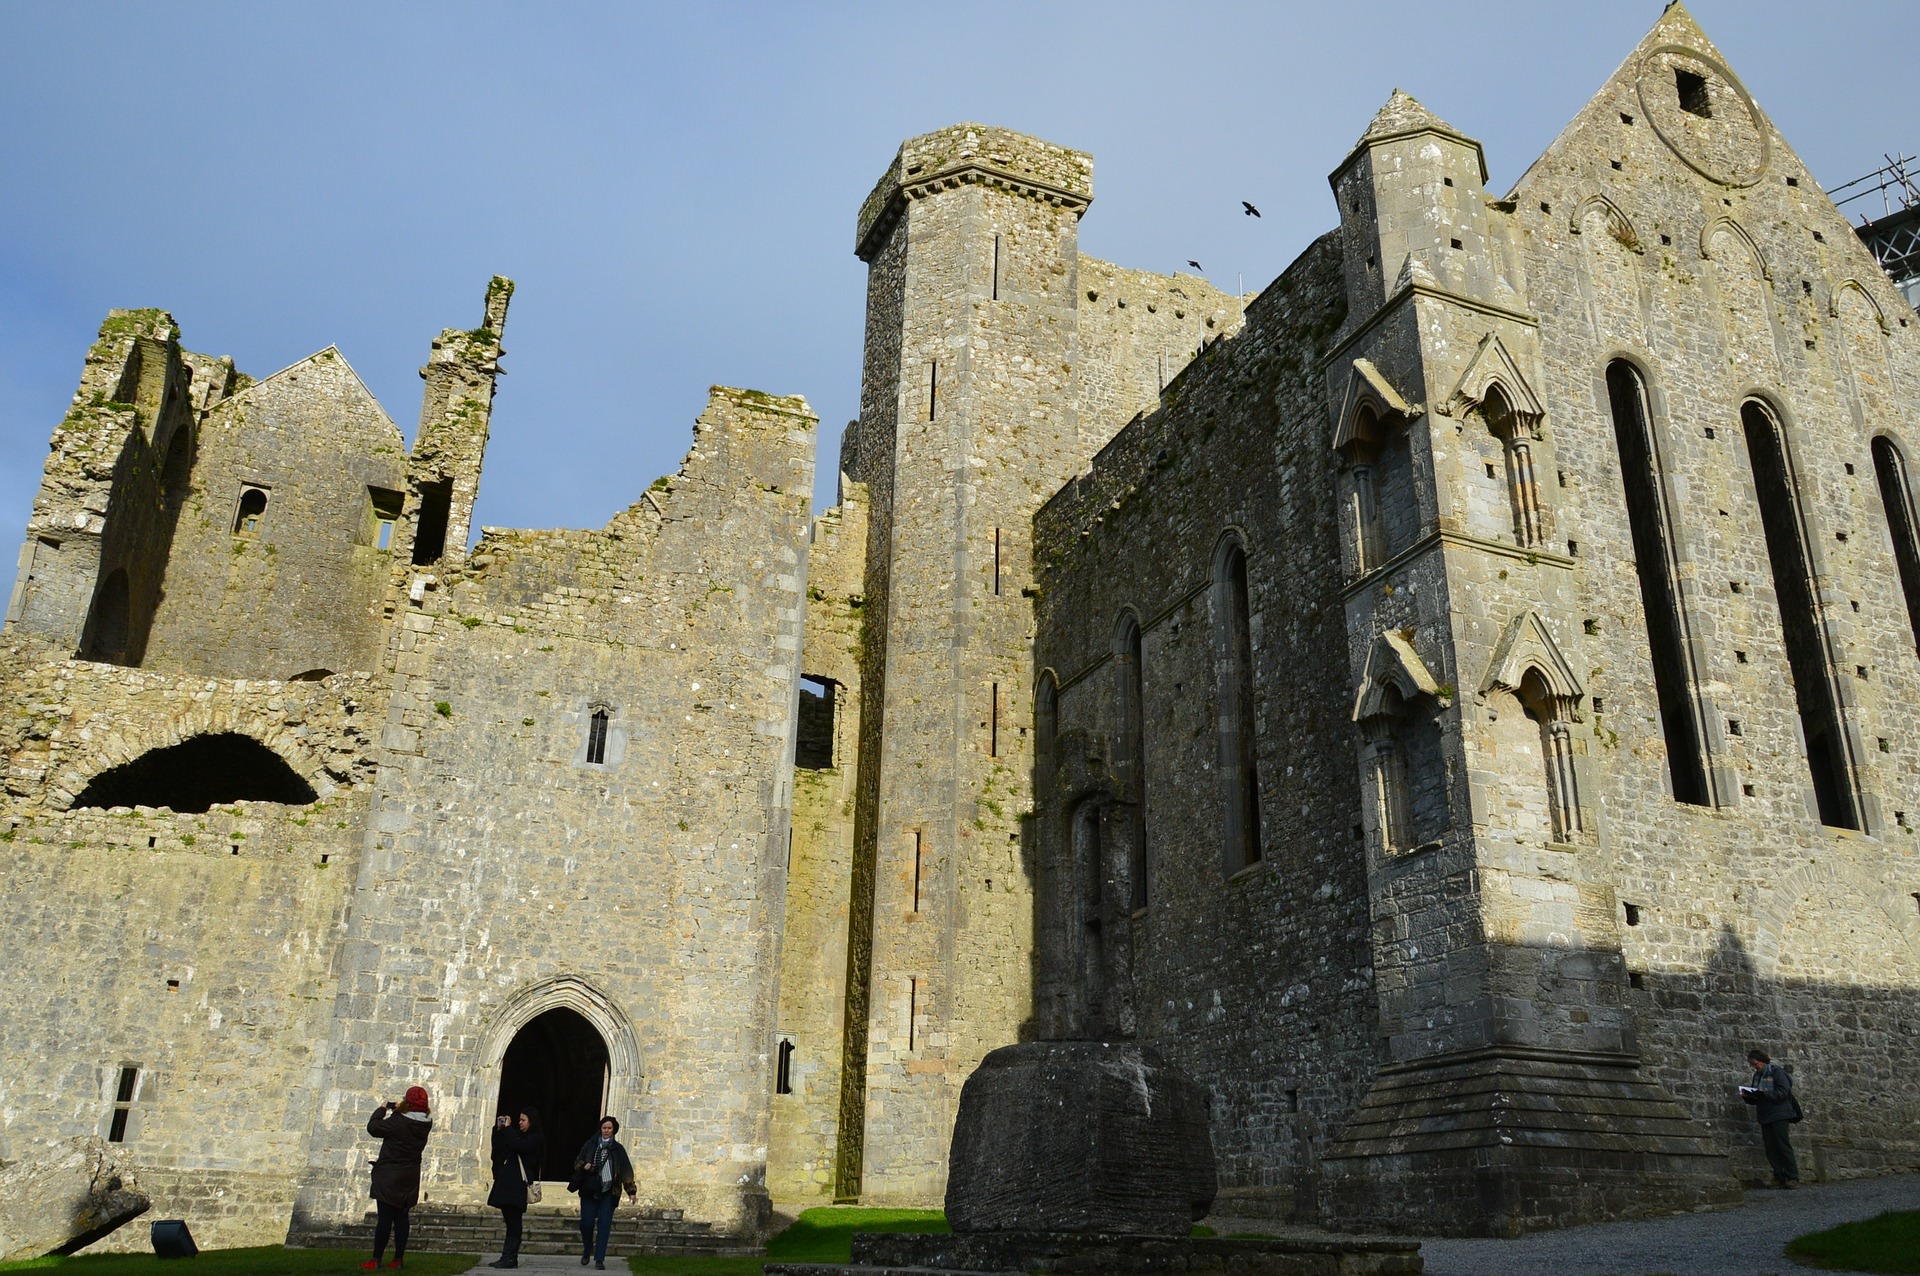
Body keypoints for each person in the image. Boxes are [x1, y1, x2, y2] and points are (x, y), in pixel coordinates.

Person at [364, 1084, 433, 1270]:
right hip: (409, 1177)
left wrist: (382, 1108)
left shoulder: (398, 1122)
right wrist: (399, 1111)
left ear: (407, 1102)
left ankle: (376, 1259)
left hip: (390, 1175)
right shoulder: (425, 1123)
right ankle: (398, 1259)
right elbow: (410, 1119)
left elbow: (373, 1127)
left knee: (385, 1218)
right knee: (402, 1218)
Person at [571, 1115, 637, 1270]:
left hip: (609, 1192)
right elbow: (577, 1162)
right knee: (586, 1224)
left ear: (613, 1130)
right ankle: (588, 1249)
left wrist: (631, 1191)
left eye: (609, 1128)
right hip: (589, 1190)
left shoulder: (618, 1149)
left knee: (604, 1225)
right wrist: (584, 1165)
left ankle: (599, 1259)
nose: (606, 1131)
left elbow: (626, 1170)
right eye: (604, 1128)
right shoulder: (590, 1145)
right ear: (600, 1129)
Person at [486, 1106, 544, 1269]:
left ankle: (510, 1257)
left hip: (517, 1186)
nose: (520, 1123)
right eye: (519, 1120)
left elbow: (520, 1146)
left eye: (523, 1120)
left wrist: (508, 1129)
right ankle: (507, 1256)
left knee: (514, 1222)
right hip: (508, 1185)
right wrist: (499, 1130)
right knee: (511, 1221)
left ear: (531, 1121)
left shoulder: (534, 1138)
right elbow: (499, 1149)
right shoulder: (517, 1135)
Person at [1741, 1048, 1799, 1188]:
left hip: (1779, 1114)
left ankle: (1792, 1177)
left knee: (1782, 1146)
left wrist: (1764, 1095)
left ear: (1762, 1061)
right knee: (1771, 1148)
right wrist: (1749, 1097)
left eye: (1755, 1064)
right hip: (1765, 1115)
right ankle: (1779, 1176)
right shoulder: (1758, 1076)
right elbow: (1757, 1096)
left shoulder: (1776, 1072)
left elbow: (1783, 1092)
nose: (1754, 1067)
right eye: (1752, 1065)